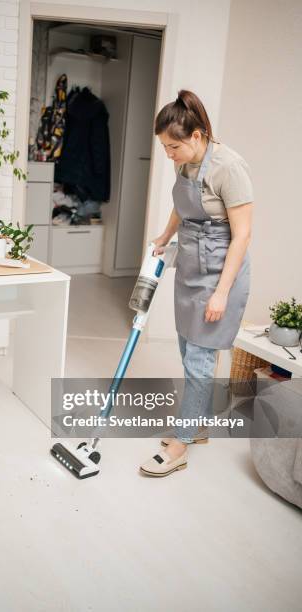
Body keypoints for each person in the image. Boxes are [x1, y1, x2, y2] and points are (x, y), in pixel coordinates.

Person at [140, 90, 253, 477]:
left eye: (173, 146)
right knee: (189, 352)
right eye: (165, 147)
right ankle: (198, 424)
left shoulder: (230, 168)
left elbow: (242, 235)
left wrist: (221, 293)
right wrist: (163, 235)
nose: (169, 154)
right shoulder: (185, 165)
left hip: (221, 272)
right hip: (190, 266)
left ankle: (181, 444)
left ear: (198, 136)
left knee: (200, 361)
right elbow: (180, 206)